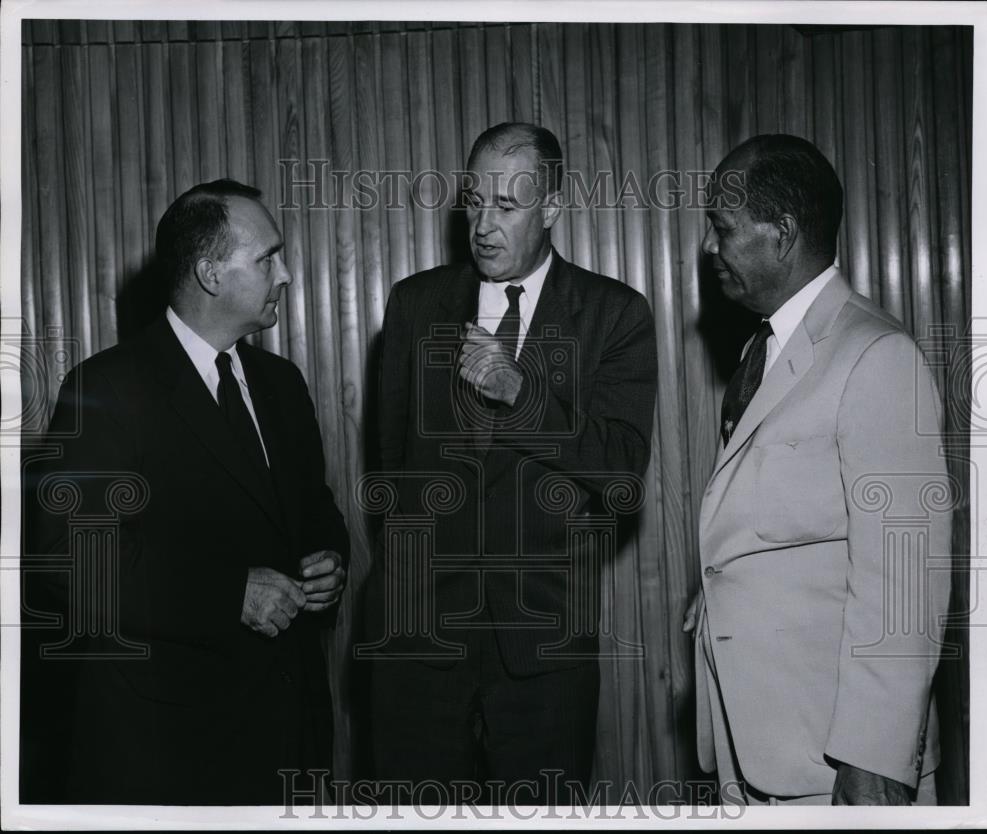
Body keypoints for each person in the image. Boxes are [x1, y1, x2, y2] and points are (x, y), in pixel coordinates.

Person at [22, 179, 350, 805]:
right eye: (267, 258)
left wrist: (330, 560)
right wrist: (231, 594)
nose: (285, 274)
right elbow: (75, 567)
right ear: (209, 274)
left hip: (290, 741)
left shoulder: (282, 383)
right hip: (172, 753)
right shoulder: (105, 390)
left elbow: (314, 511)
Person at [366, 122, 658, 803]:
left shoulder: (614, 314)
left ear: (551, 209)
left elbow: (620, 475)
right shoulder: (414, 305)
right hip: (417, 644)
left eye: (508, 205)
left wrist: (522, 395)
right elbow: (389, 468)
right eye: (474, 201)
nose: (484, 225)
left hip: (542, 652)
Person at [686, 134, 952, 805]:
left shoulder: (875, 356)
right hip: (766, 748)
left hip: (839, 767)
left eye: (723, 229)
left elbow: (903, 583)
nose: (711, 250)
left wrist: (874, 761)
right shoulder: (765, 348)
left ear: (782, 234)